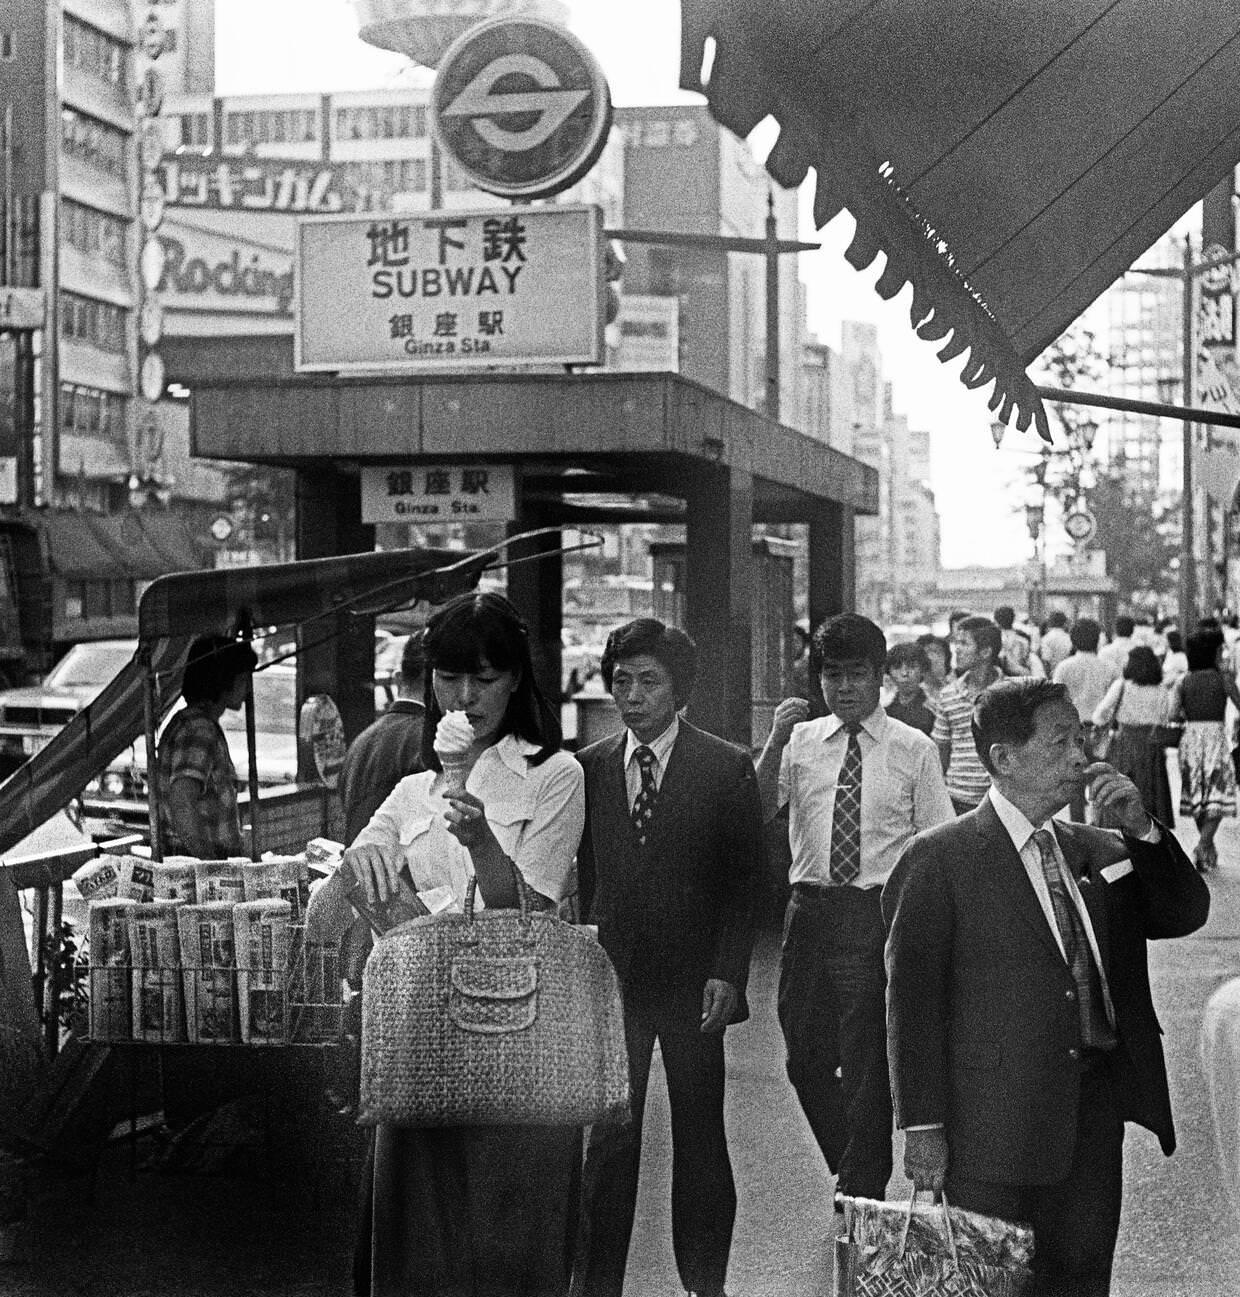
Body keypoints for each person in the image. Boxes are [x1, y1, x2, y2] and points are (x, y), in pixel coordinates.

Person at [884, 678, 1209, 1297]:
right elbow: (911, 1003)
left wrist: (1142, 828)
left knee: (1083, 1280)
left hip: (1091, 1115)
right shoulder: (940, 857)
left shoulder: (1095, 849)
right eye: (1060, 740)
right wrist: (922, 1125)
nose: (1080, 757)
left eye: (1081, 737)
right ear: (1002, 758)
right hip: (989, 1129)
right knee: (995, 1284)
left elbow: (1182, 912)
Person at [305, 592, 586, 1297]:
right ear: (429, 682)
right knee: (416, 1254)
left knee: (507, 1250)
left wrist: (482, 841)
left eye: (486, 678)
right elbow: (321, 923)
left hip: (517, 1044)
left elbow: (532, 912)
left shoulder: (556, 774)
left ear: (516, 679)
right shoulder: (409, 792)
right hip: (417, 1045)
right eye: (451, 679)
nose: (467, 697)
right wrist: (348, 872)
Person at [573, 618, 763, 1297]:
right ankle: (595, 1285)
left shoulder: (725, 765)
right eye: (620, 680)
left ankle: (704, 1283)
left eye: (648, 681)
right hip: (612, 985)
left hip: (695, 986)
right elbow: (583, 880)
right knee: (608, 1145)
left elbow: (747, 883)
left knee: (700, 1140)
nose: (632, 695)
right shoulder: (589, 768)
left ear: (678, 688)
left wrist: (729, 971)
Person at [754, 615, 952, 1206]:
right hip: (809, 911)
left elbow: (937, 840)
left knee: (867, 1058)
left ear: (881, 677)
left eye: (857, 675)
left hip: (878, 913)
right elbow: (758, 810)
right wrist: (772, 741)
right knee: (803, 1055)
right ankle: (855, 1165)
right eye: (832, 675)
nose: (844, 688)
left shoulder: (913, 749)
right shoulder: (801, 742)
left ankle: (859, 1188)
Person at [156, 633, 257, 859]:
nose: (247, 689)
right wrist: (209, 864)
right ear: (223, 680)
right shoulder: (200, 730)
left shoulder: (190, 722)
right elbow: (182, 802)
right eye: (242, 680)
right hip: (198, 867)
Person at [337, 632, 426, 847]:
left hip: (358, 865)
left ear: (398, 679)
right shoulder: (430, 743)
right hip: (399, 873)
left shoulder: (361, 740)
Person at [1171, 626, 1240, 871]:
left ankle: (1205, 845)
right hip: (1215, 738)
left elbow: (1172, 713)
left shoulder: (1184, 681)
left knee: (1198, 796)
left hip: (1190, 739)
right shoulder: (1224, 678)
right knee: (1218, 795)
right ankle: (1204, 844)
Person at [1090, 646, 1174, 829]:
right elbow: (1165, 717)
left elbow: (1100, 713)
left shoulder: (1121, 686)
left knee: (1119, 793)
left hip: (1124, 744)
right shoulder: (1161, 690)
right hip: (1151, 747)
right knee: (1150, 796)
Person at [933, 616, 1004, 813]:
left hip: (1000, 801)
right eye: (957, 642)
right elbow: (941, 751)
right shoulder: (948, 695)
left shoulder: (1010, 695)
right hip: (956, 800)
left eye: (964, 643)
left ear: (985, 652)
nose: (957, 649)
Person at [1052, 618, 1120, 821]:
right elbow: (1115, 702)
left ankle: (1077, 826)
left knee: (1074, 784)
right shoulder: (1110, 668)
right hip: (1101, 733)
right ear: (1098, 639)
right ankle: (1098, 827)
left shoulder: (1064, 668)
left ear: (1073, 639)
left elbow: (1056, 702)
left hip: (1073, 733)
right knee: (1100, 783)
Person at [883, 642, 936, 736]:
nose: (904, 673)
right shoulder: (884, 711)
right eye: (897, 667)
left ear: (922, 670)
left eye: (911, 667)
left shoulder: (934, 709)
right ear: (889, 672)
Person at [916, 633, 952, 710]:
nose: (933, 658)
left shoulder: (957, 688)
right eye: (928, 652)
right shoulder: (915, 693)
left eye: (938, 652)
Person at [1039, 610, 1073, 676]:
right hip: (1067, 674)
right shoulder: (1069, 638)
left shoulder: (1046, 638)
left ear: (1050, 622)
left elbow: (1046, 661)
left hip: (1053, 674)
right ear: (1064, 623)